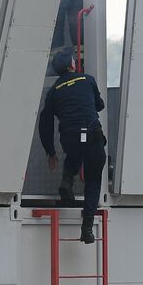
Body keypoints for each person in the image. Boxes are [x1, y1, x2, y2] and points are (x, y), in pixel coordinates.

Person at [37, 50, 107, 243]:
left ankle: (66, 182)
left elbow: (45, 124)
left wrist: (50, 152)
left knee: (74, 156)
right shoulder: (88, 79)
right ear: (72, 65)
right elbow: (99, 105)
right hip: (92, 136)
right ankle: (87, 228)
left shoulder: (53, 91)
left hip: (70, 139)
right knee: (93, 180)